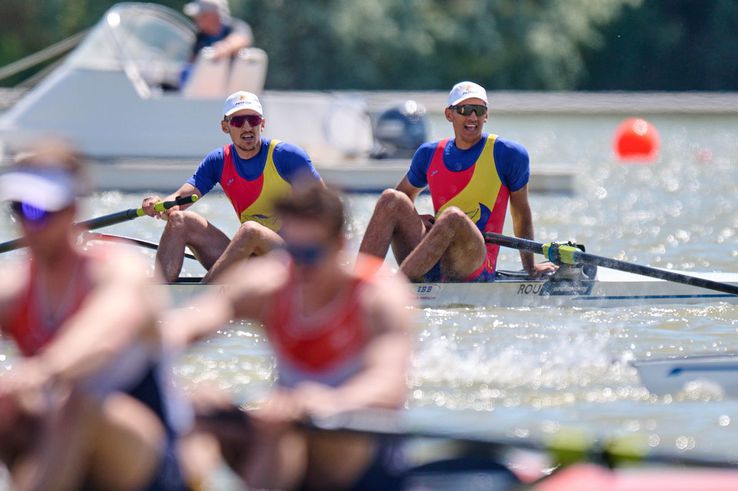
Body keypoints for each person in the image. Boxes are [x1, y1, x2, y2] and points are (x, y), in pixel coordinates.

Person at [165, 183, 415, 490]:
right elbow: (186, 325)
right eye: (290, 252)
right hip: (285, 427)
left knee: (286, 430)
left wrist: (329, 402)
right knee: (200, 406)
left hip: (357, 446)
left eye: (309, 254)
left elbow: (390, 384)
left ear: (338, 246)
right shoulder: (269, 286)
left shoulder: (377, 296)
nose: (298, 266)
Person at [0, 142, 190, 490]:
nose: (30, 225)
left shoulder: (120, 271)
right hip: (60, 452)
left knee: (75, 402)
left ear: (71, 210)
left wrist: (43, 370)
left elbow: (103, 331)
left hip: (148, 462)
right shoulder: (15, 286)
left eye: (39, 212)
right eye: (19, 210)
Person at [359, 81, 557, 282]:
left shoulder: (509, 154)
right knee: (390, 198)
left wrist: (530, 268)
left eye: (479, 110)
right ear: (449, 114)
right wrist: (418, 218)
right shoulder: (428, 154)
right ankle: (357, 282)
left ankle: (394, 288)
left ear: (486, 115)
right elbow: (403, 199)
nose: (473, 117)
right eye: (465, 109)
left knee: (452, 217)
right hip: (431, 256)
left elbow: (521, 214)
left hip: (475, 261)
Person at [141, 90, 321, 283]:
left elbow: (326, 210)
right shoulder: (218, 161)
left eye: (253, 120)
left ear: (262, 123)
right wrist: (158, 204)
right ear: (225, 127)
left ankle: (205, 295)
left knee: (251, 229)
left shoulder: (287, 156)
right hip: (249, 259)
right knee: (180, 220)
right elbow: (178, 200)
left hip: (290, 260)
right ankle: (157, 295)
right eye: (238, 121)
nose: (247, 127)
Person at [185, 0, 253, 61]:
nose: (196, 19)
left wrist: (223, 48)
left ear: (211, 16)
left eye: (201, 15)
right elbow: (192, 60)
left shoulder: (235, 26)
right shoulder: (201, 36)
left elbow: (241, 39)